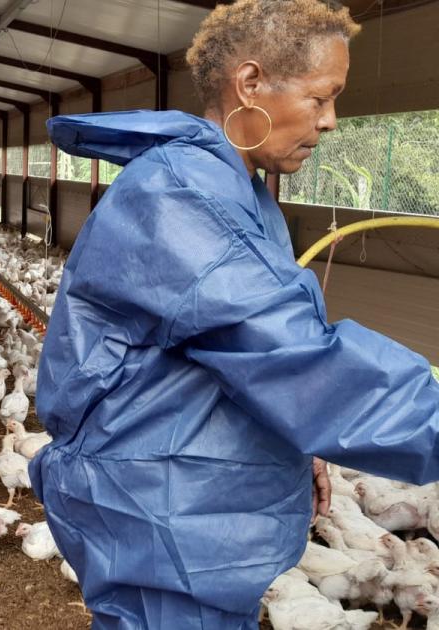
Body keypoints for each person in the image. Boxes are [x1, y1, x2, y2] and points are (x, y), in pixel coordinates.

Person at [31, 1, 439, 627]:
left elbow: (240, 358)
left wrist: (300, 445)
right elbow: (291, 351)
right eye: (321, 98)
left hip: (197, 504)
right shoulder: (178, 194)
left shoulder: (237, 190)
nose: (330, 123)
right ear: (250, 84)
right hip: (162, 512)